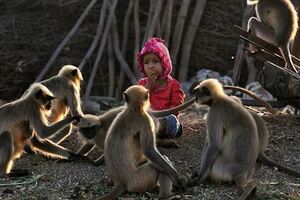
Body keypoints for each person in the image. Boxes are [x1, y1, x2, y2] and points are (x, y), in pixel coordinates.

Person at [136, 37, 185, 139]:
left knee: (172, 121)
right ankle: (155, 136)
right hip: (146, 121)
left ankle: (156, 134)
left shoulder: (173, 85)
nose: (151, 66)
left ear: (164, 63)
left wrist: (161, 119)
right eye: (146, 62)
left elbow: (175, 109)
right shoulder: (142, 84)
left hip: (164, 120)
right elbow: (136, 104)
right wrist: (148, 86)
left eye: (155, 61)